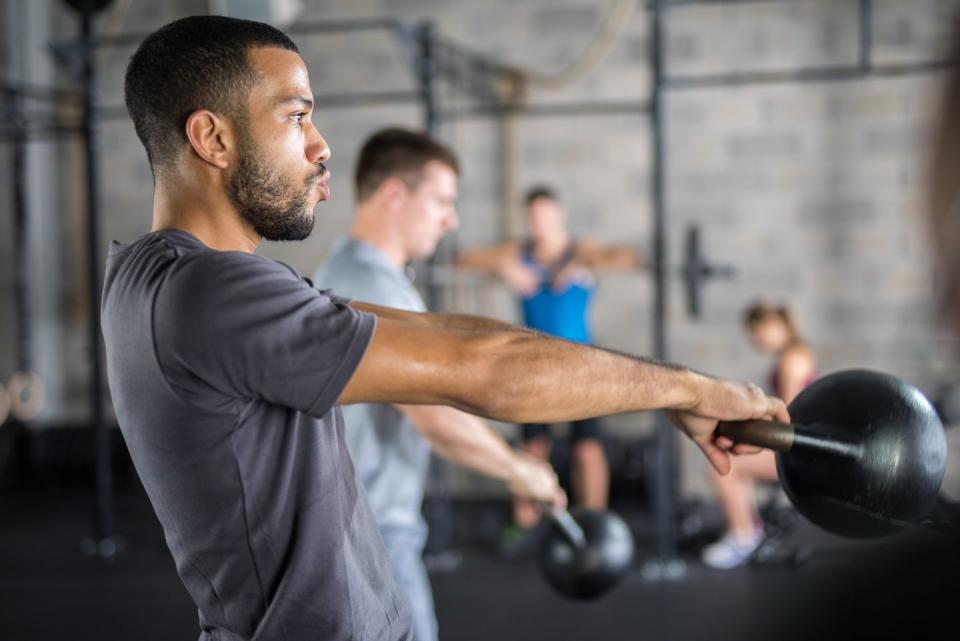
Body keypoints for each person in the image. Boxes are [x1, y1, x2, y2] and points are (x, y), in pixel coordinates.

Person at [102, 15, 787, 641]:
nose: (320, 144)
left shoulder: (143, 277)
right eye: (296, 117)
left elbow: (441, 335)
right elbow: (483, 370)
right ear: (212, 137)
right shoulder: (214, 291)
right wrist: (688, 390)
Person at [313, 127, 564, 641]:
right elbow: (434, 418)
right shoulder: (372, 286)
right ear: (394, 195)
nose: (451, 220)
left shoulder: (357, 271)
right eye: (442, 201)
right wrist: (522, 471)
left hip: (365, 526)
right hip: (373, 534)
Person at [456, 187, 642, 554]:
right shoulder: (517, 252)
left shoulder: (580, 251)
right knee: (532, 447)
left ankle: (594, 522)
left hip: (582, 367)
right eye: (534, 217)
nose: (540, 224)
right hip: (532, 368)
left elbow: (629, 257)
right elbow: (464, 258)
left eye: (546, 216)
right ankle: (525, 524)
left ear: (560, 216)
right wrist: (502, 266)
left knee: (587, 448)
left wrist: (583, 266)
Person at [700, 302, 816, 569]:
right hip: (794, 445)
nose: (756, 339)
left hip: (799, 455)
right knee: (728, 457)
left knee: (723, 466)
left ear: (776, 326)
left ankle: (744, 537)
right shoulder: (794, 354)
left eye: (758, 332)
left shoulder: (792, 359)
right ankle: (747, 529)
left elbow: (788, 415)